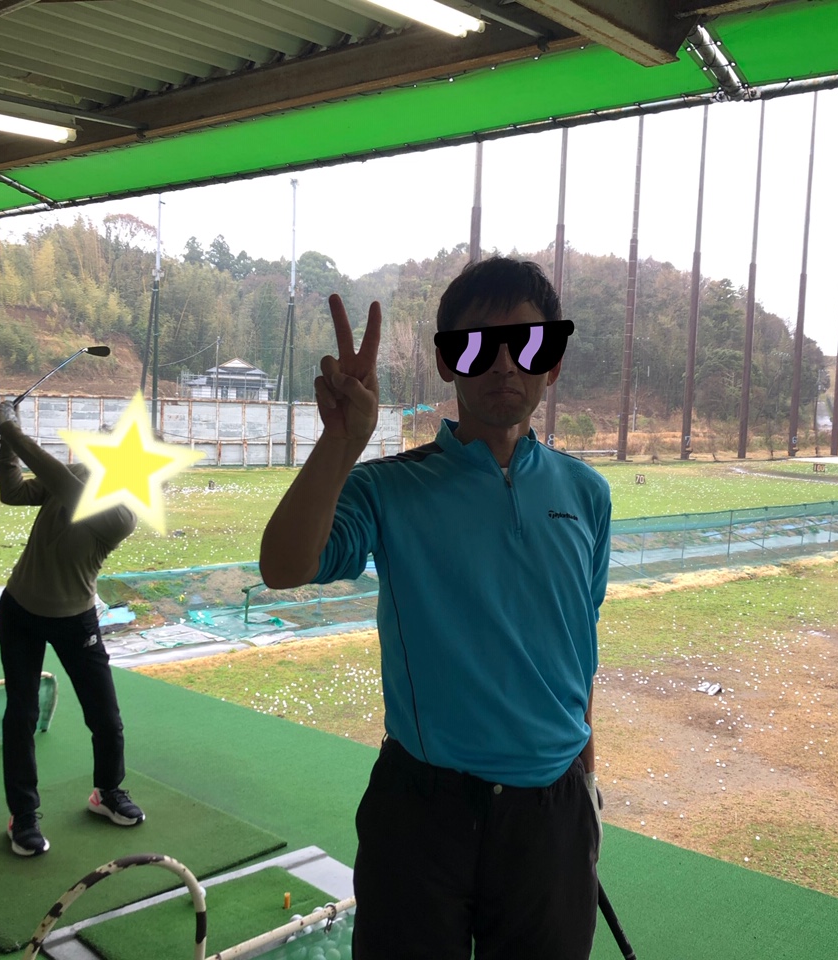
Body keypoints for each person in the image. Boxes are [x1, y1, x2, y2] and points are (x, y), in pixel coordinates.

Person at [259, 257, 611, 958]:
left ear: (553, 362)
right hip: (423, 808)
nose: (504, 365)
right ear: (448, 363)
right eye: (476, 346)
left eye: (527, 344)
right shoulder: (388, 487)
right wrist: (341, 440)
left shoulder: (587, 492)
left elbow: (578, 642)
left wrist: (587, 776)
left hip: (553, 808)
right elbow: (284, 565)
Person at [0, 400, 145, 857]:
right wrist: (7, 444)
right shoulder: (76, 475)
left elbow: (59, 481)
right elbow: (12, 492)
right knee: (21, 715)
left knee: (105, 716)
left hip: (75, 620)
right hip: (19, 610)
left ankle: (107, 792)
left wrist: (10, 427)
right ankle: (23, 815)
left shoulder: (121, 514)